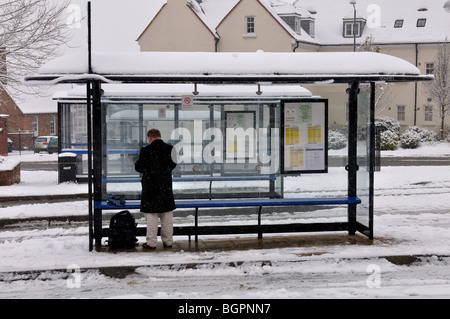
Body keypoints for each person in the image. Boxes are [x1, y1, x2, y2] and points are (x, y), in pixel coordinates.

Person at [135, 128, 177, 250]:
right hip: (166, 188)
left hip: (150, 189)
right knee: (167, 217)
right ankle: (168, 241)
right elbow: (173, 164)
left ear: (150, 138)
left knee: (151, 218)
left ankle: (151, 243)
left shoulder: (145, 150)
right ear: (159, 136)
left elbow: (139, 167)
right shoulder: (170, 149)